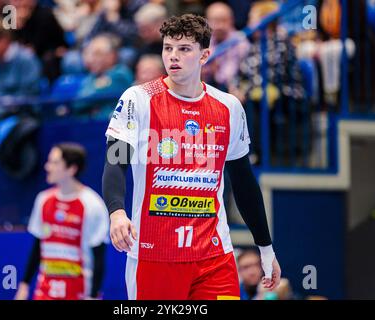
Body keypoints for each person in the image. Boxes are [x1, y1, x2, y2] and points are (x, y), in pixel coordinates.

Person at [102, 14, 281, 300]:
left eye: (184, 49)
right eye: (167, 48)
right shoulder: (138, 99)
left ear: (204, 55)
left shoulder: (229, 107)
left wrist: (265, 248)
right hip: (154, 254)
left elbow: (244, 182)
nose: (173, 56)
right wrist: (116, 211)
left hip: (213, 256)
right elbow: (116, 159)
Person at [15, 143, 109, 300]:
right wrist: (24, 286)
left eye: (54, 162)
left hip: (79, 291)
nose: (47, 167)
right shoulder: (43, 200)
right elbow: (38, 247)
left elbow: (99, 257)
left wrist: (93, 296)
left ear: (71, 168)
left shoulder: (92, 204)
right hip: (45, 290)